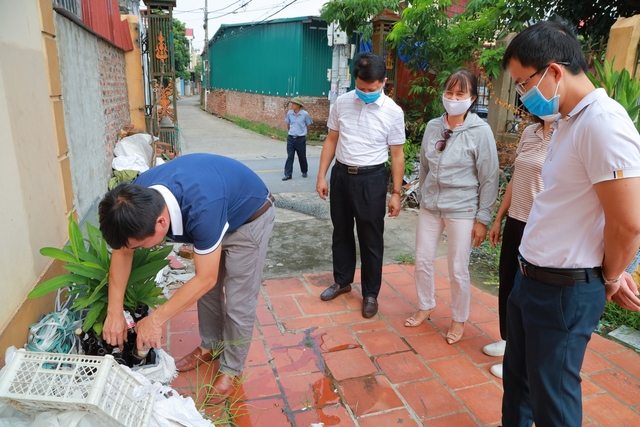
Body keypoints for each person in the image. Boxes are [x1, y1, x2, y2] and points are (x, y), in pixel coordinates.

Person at [501, 20, 640, 427]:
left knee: (554, 402)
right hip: (531, 280)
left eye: (524, 84)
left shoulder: (603, 123)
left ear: (554, 72)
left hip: (562, 291)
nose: (524, 97)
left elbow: (628, 222)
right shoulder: (568, 120)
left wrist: (613, 276)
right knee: (520, 385)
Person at [98, 153, 275, 405]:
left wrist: (155, 320)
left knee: (238, 300)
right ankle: (211, 345)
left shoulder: (202, 207)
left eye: (140, 246)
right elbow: (123, 251)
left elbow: (206, 278)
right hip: (215, 209)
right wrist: (114, 312)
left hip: (248, 218)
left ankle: (231, 368)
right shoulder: (132, 200)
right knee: (207, 295)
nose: (136, 250)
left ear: (161, 222)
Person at [405, 70, 499, 345]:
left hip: (463, 208)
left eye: (460, 94)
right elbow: (424, 165)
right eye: (449, 92)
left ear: (472, 98)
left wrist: (483, 217)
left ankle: (459, 318)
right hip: (431, 205)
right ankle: (426, 304)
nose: (453, 98)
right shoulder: (434, 126)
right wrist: (423, 195)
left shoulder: (480, 132)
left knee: (458, 268)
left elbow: (489, 176)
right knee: (422, 260)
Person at [316, 52, 405, 318]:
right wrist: (322, 175)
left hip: (372, 180)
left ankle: (370, 294)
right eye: (361, 88)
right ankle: (342, 282)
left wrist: (396, 193)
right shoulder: (342, 103)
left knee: (370, 239)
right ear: (354, 80)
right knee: (341, 232)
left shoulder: (393, 112)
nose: (365, 93)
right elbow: (332, 139)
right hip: (342, 176)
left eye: (372, 89)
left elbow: (397, 154)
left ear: (383, 83)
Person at [483, 117, 552, 379]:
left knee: (529, 290)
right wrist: (500, 216)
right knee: (508, 282)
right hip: (516, 220)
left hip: (541, 225)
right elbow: (516, 178)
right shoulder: (530, 132)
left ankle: (521, 357)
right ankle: (508, 339)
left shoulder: (565, 134)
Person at [282, 97, 313, 181]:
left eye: (294, 104)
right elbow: (288, 124)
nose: (292, 105)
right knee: (290, 156)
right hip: (291, 138)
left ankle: (304, 171)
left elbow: (308, 124)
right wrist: (291, 133)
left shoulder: (305, 114)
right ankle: (288, 174)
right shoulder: (289, 113)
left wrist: (303, 132)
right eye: (292, 103)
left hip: (300, 139)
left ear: (299, 105)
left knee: (302, 156)